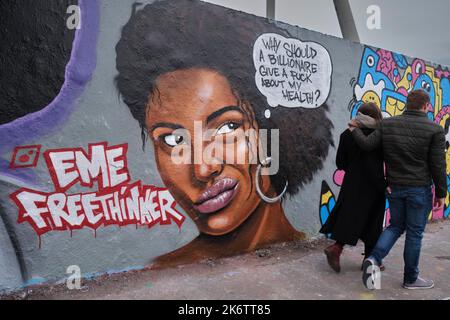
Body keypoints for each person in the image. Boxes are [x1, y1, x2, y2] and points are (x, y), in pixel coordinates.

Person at [115, 0, 334, 268]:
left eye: (228, 127)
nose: (203, 168)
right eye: (173, 140)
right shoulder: (158, 271)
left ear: (273, 132)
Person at [351, 89, 447, 290]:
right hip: (419, 189)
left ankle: (374, 258)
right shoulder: (435, 129)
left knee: (395, 226)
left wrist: (355, 129)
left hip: (394, 187)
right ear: (426, 106)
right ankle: (411, 278)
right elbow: (438, 165)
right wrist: (441, 193)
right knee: (414, 233)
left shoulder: (388, 124)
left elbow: (367, 145)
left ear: (407, 103)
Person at [320, 102, 386, 273]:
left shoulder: (346, 134)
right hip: (375, 184)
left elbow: (340, 163)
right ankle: (370, 260)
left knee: (350, 217)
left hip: (352, 183)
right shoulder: (380, 135)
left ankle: (336, 249)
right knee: (373, 221)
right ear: (377, 116)